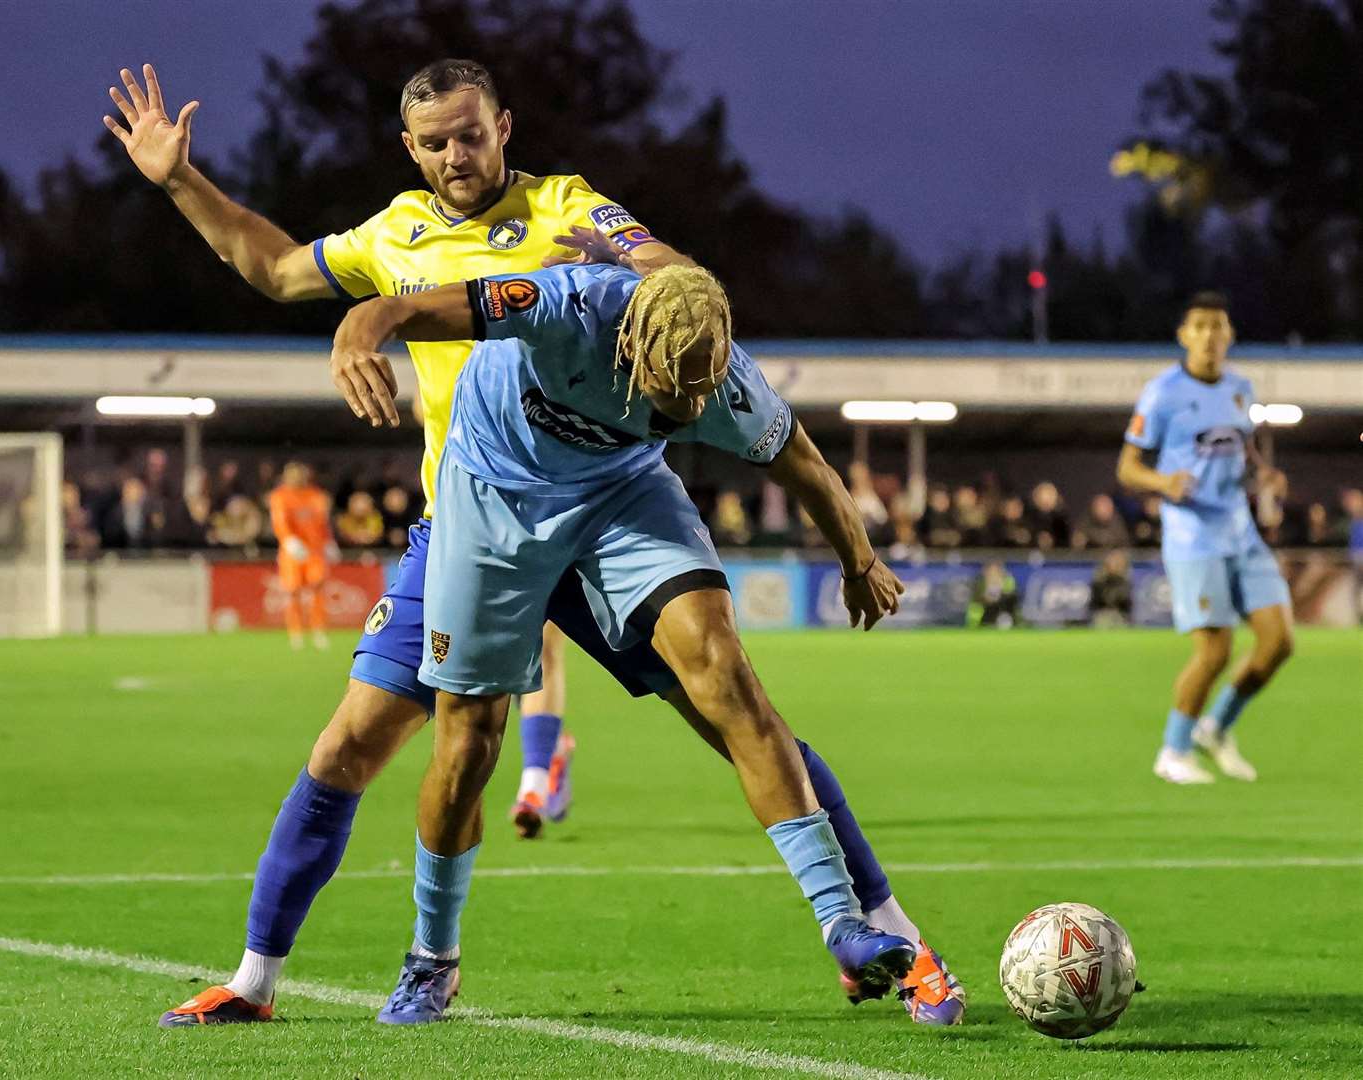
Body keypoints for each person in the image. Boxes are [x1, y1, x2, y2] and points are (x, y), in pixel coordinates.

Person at [112, 59, 958, 1029]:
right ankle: (269, 979)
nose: (454, 155)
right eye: (433, 142)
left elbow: (665, 270)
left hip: (609, 501)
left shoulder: (569, 209)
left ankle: (885, 938)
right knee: (362, 744)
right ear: (409, 149)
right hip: (473, 518)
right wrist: (178, 178)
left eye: (470, 134)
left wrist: (620, 271)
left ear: (503, 127)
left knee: (730, 697)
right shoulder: (393, 236)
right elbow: (267, 269)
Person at [328, 260, 961, 1026]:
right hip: (496, 494)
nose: (694, 403)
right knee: (467, 744)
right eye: (677, 386)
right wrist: (357, 334)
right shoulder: (563, 309)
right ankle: (432, 959)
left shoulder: (721, 379)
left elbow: (803, 464)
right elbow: (403, 309)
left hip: (621, 493)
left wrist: (860, 561)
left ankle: (842, 922)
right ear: (629, 344)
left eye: (705, 384)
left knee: (725, 671)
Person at [1117, 291, 1294, 784]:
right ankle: (1172, 753)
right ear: (1184, 336)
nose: (1211, 335)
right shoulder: (1162, 393)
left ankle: (1216, 727)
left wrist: (1265, 475)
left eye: (1219, 325)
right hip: (1194, 538)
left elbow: (1244, 446)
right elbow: (1128, 467)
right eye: (1200, 325)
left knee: (1278, 643)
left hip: (1242, 531)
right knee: (1215, 650)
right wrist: (1163, 482)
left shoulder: (1241, 388)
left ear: (1230, 334)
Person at [270, 462, 340, 651]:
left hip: (315, 551)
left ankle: (318, 631)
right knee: (292, 591)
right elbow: (280, 522)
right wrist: (288, 540)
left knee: (317, 589)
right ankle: (296, 633)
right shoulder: (280, 496)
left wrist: (328, 542)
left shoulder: (315, 495)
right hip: (292, 552)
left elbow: (322, 522)